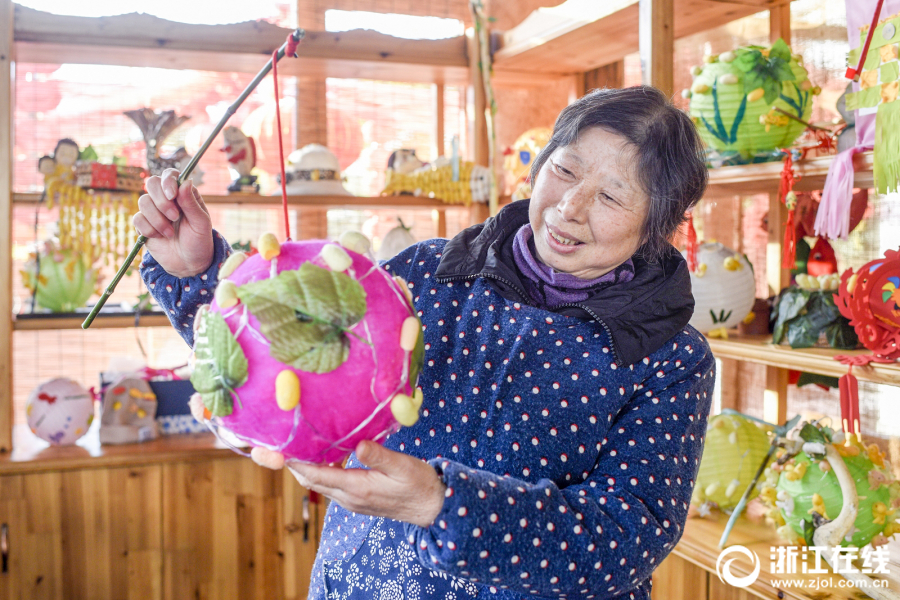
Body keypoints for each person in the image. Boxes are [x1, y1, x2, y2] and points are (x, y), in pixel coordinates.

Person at [137, 86, 716, 600]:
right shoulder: (427, 273)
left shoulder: (670, 358)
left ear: (660, 225)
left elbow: (628, 537)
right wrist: (197, 274)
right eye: (564, 171)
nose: (571, 207)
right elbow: (285, 364)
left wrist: (442, 505)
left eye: (613, 197)